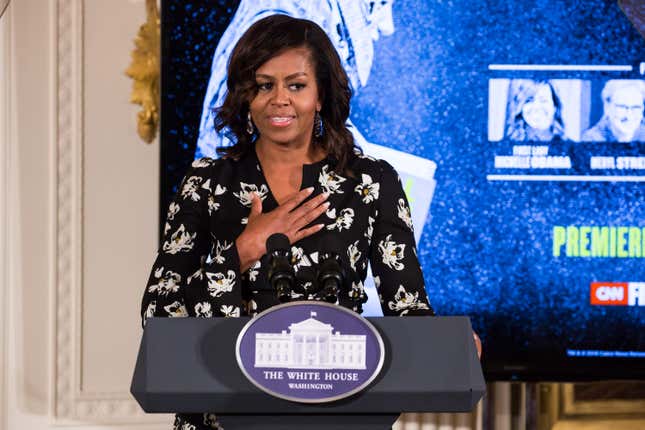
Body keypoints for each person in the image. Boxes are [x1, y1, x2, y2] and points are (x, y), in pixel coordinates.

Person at [141, 15, 434, 430]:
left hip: (338, 416)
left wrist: (449, 347)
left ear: (320, 95)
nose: (279, 99)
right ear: (246, 96)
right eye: (264, 85)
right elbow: (159, 314)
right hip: (219, 415)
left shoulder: (371, 182)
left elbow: (409, 311)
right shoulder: (205, 183)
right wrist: (245, 249)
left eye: (296, 85)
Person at [581, 79, 645, 142]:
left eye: (636, 107)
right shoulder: (591, 139)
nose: (629, 116)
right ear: (607, 107)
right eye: (622, 107)